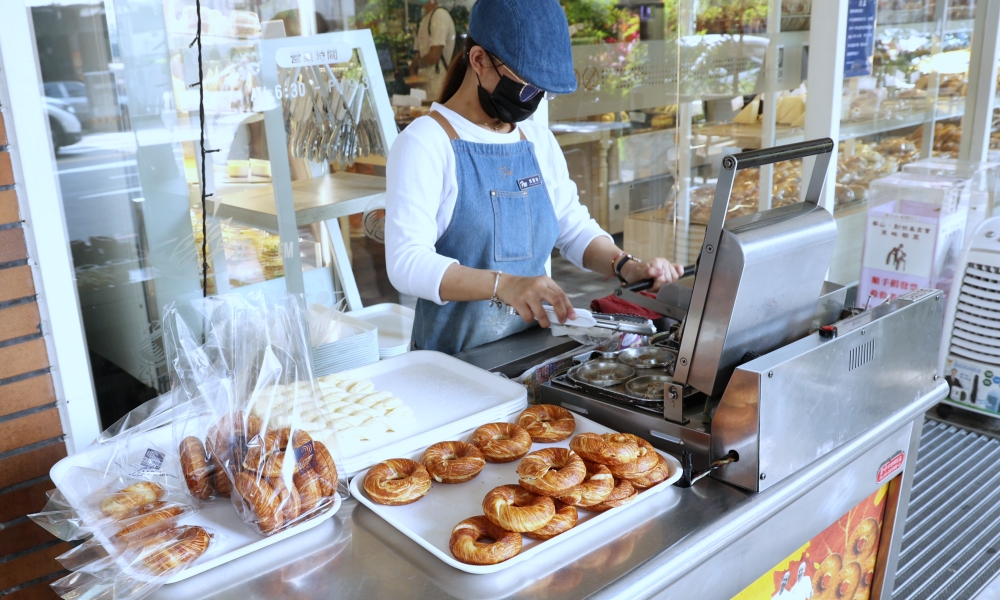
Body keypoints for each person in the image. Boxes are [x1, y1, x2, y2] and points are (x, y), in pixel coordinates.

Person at [385, 0, 684, 354]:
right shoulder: (426, 142)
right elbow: (406, 263)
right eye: (526, 88)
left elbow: (571, 226)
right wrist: (503, 284)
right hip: (452, 364)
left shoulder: (535, 140)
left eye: (543, 92)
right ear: (479, 60)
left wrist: (625, 265)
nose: (534, 102)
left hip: (530, 353)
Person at [410, 0, 456, 101]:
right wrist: (413, 72)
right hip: (424, 91)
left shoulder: (439, 15)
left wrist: (415, 64)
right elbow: (418, 54)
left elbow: (434, 56)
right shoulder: (423, 20)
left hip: (438, 88)